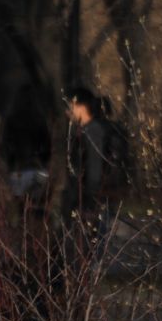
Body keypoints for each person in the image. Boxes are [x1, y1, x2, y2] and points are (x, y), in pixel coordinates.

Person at [61, 86, 134, 235]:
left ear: (81, 106)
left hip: (96, 200)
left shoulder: (92, 131)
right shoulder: (109, 128)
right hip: (112, 196)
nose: (68, 111)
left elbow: (94, 167)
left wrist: (89, 204)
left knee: (97, 247)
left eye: (71, 106)